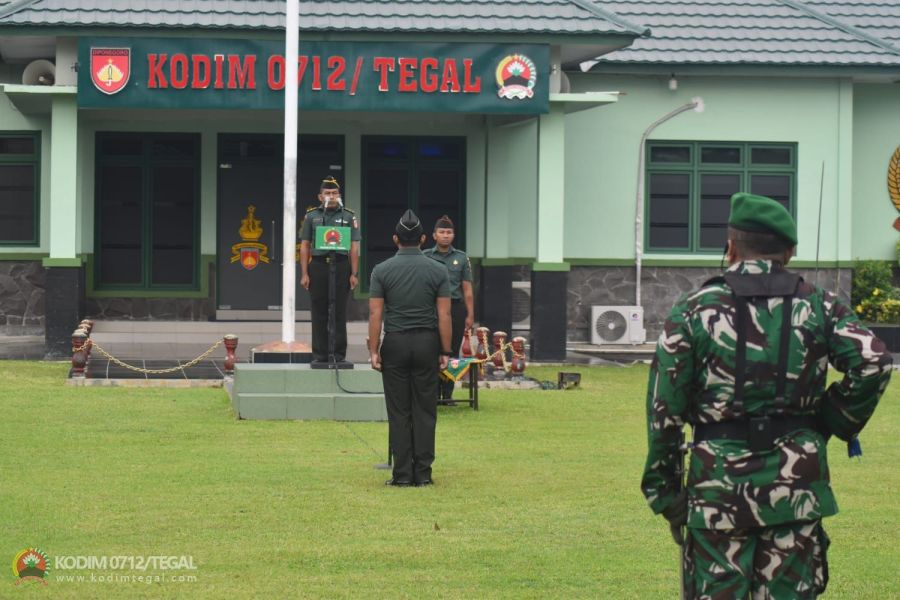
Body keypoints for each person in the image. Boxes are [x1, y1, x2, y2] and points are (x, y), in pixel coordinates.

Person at [641, 192, 892, 598]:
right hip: (795, 489)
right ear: (790, 252)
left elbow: (663, 410)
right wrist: (830, 421)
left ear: (731, 246)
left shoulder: (693, 308)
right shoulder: (821, 306)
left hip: (716, 492)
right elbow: (874, 363)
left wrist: (666, 493)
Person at [368, 209, 452, 487]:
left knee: (399, 411)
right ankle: (424, 474)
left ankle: (402, 474)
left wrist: (373, 349)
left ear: (395, 239)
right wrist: (446, 351)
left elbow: (375, 315)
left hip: (395, 342)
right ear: (424, 238)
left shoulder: (381, 270)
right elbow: (444, 316)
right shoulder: (438, 270)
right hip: (428, 342)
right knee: (425, 409)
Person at [299, 177, 360, 364]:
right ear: (320, 196)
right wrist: (304, 273)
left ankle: (338, 355)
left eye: (334, 193)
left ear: (339, 196)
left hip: (341, 265)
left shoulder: (349, 216)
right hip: (318, 266)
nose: (331, 196)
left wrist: (354, 273)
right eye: (327, 193)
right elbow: (304, 245)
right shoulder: (312, 216)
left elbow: (354, 247)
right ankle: (320, 355)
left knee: (339, 311)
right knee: (319, 311)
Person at [424, 215, 474, 404]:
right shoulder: (426, 256)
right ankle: (433, 393)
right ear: (434, 235)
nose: (446, 235)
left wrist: (470, 314)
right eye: (442, 232)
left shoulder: (461, 258)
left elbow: (467, 289)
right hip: (432, 308)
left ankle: (448, 393)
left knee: (452, 350)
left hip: (455, 309)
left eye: (449, 232)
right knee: (432, 348)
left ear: (453, 235)